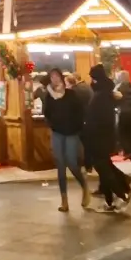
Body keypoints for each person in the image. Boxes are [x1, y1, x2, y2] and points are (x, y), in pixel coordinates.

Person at [84, 64, 131, 212]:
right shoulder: (107, 94)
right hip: (104, 137)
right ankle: (112, 198)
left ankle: (121, 193)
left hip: (97, 138)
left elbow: (96, 119)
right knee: (105, 167)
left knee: (103, 168)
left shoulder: (99, 97)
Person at [43, 67, 90, 212]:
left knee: (71, 162)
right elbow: (47, 112)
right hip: (57, 133)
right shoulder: (49, 96)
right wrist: (51, 124)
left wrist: (77, 127)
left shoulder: (71, 94)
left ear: (62, 78)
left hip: (71, 133)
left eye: (57, 76)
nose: (55, 79)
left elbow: (80, 112)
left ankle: (84, 186)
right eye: (52, 77)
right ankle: (64, 200)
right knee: (60, 165)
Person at [114, 70, 131, 160]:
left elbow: (114, 99)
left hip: (122, 113)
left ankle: (128, 151)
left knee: (122, 133)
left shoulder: (118, 88)